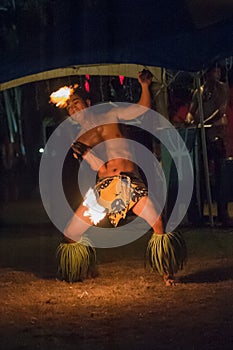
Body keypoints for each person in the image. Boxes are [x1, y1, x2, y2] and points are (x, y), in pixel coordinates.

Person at [50, 70, 187, 286]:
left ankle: (167, 273)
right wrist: (85, 153)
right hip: (104, 188)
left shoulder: (109, 116)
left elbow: (141, 109)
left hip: (130, 183)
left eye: (76, 103)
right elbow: (99, 167)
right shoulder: (78, 139)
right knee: (70, 232)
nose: (73, 107)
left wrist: (144, 86)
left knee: (158, 222)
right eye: (70, 107)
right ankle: (82, 270)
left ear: (87, 103)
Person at [185, 63, 229, 225]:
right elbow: (192, 109)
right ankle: (199, 215)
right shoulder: (200, 91)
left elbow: (221, 111)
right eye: (213, 72)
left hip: (216, 135)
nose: (216, 75)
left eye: (218, 72)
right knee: (201, 176)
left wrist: (202, 122)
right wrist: (189, 118)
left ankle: (222, 213)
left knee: (220, 176)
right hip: (201, 137)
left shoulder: (222, 89)